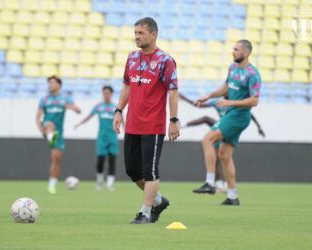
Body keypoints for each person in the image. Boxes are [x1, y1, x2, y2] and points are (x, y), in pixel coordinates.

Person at [113, 17, 180, 224]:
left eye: (140, 33)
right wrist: (118, 111)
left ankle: (145, 212)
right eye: (135, 33)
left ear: (153, 34)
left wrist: (174, 120)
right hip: (133, 124)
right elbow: (127, 86)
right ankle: (158, 201)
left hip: (153, 125)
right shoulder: (132, 58)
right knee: (132, 171)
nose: (136, 37)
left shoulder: (165, 60)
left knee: (150, 171)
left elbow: (173, 92)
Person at [193, 40, 261, 206]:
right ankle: (232, 196)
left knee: (207, 139)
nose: (233, 52)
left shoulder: (253, 74)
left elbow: (254, 101)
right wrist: (209, 96)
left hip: (238, 116)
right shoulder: (233, 68)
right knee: (224, 155)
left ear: (246, 52)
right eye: (233, 49)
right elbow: (226, 87)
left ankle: (210, 183)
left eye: (236, 50)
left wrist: (230, 103)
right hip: (233, 115)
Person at [179, 94, 266, 192]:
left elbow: (249, 114)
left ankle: (216, 183)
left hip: (229, 127)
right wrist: (185, 98)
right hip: (221, 127)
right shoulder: (217, 101)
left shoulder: (235, 102)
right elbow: (198, 104)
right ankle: (226, 188)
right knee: (221, 156)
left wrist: (259, 127)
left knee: (215, 148)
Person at [36, 76, 81, 194]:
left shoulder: (65, 98)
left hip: (59, 134)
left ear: (59, 85)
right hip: (46, 127)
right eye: (49, 83)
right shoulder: (44, 99)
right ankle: (50, 136)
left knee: (56, 160)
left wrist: (70, 107)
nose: (50, 85)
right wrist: (40, 128)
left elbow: (78, 110)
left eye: (52, 83)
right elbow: (38, 116)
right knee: (50, 124)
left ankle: (52, 186)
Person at [74, 86, 120, 191]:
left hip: (112, 137)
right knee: (100, 160)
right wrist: (79, 124)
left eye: (108, 93)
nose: (106, 95)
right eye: (104, 93)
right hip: (102, 137)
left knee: (112, 160)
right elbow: (89, 116)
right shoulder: (99, 107)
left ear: (111, 94)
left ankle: (110, 183)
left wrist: (126, 131)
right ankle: (99, 181)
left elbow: (122, 120)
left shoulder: (115, 107)